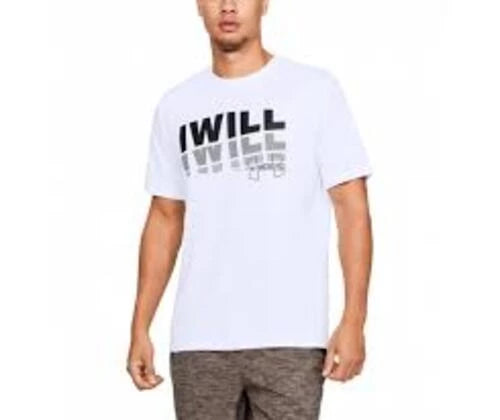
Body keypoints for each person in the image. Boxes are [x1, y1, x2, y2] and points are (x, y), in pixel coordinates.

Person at [127, 0, 373, 418]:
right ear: (198, 6)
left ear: (264, 4)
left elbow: (352, 208)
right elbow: (165, 216)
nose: (228, 6)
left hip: (290, 336)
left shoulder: (313, 91)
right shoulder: (177, 106)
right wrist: (140, 326)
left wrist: (354, 320)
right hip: (198, 341)